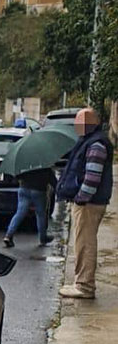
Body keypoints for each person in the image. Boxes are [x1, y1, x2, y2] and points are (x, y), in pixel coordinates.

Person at [56, 108, 114, 299]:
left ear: (89, 124)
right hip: (89, 202)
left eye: (79, 123)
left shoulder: (96, 144)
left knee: (85, 244)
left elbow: (92, 177)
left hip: (89, 204)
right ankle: (81, 281)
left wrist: (81, 198)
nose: (76, 127)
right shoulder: (90, 141)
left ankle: (84, 286)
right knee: (82, 243)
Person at [3, 166, 56, 248]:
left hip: (24, 189)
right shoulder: (44, 165)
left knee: (19, 213)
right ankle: (43, 238)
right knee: (40, 215)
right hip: (39, 191)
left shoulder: (26, 163)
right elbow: (53, 181)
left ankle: (8, 235)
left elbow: (16, 177)